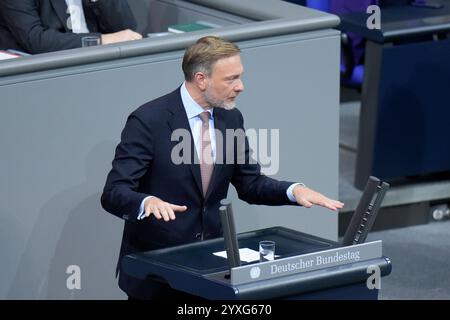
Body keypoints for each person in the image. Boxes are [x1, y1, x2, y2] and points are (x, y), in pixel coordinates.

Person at [101, 36, 344, 300]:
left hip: (211, 268)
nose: (240, 87)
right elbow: (114, 192)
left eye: (239, 77)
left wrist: (293, 191)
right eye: (231, 79)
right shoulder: (149, 120)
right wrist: (145, 201)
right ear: (201, 79)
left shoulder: (230, 118)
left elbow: (250, 184)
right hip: (157, 272)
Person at [0, 0, 142, 54]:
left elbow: (127, 28)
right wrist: (102, 40)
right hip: (42, 76)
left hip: (100, 65)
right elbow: (35, 39)